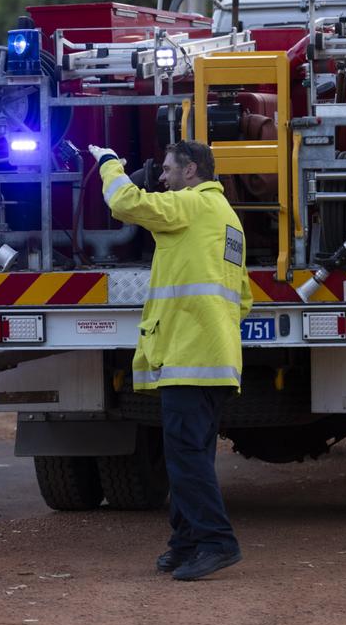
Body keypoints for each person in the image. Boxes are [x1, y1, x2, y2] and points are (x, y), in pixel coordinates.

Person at [89, 139, 252, 581]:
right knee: (191, 455)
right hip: (214, 359)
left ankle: (217, 542)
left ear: (192, 171)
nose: (161, 177)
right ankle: (184, 544)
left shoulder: (192, 207)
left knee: (185, 457)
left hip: (189, 357)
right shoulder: (227, 219)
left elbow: (126, 203)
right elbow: (244, 298)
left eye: (167, 170)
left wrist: (109, 163)